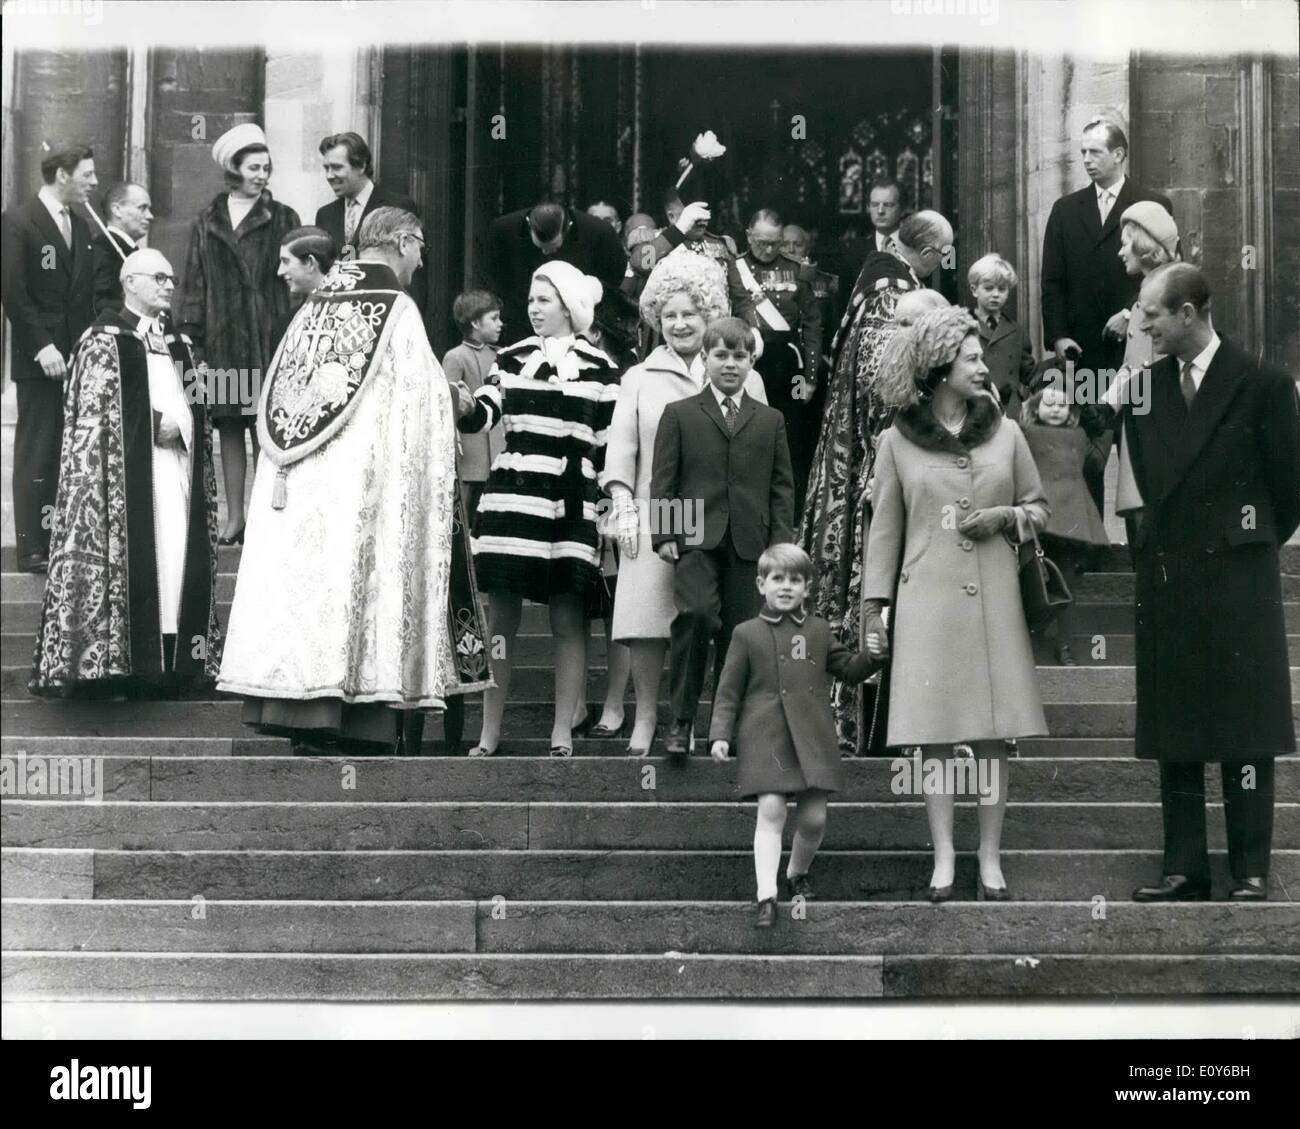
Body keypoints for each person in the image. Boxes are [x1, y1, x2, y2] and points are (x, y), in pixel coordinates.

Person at [218, 207, 490, 754]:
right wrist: (472, 403)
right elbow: (424, 404)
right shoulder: (396, 309)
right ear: (403, 242)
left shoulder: (315, 306)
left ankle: (298, 716)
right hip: (363, 492)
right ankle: (354, 722)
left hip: (309, 492)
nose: (422, 259)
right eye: (421, 247)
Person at [1117, 264, 1298, 903]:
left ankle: (1250, 868)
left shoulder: (1265, 384)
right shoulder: (1142, 391)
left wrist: (1242, 543)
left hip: (1239, 577)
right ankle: (1184, 867)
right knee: (1179, 725)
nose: (1142, 324)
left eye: (1153, 313)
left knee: (1246, 727)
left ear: (1189, 312)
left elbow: (1289, 490)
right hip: (1171, 575)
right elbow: (1150, 479)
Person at [862, 307, 1050, 901]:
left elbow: (1042, 508)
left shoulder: (1009, 433)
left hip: (994, 601)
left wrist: (1009, 518)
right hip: (928, 605)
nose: (982, 366)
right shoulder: (896, 440)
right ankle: (944, 857)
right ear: (940, 368)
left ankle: (989, 858)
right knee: (936, 737)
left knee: (995, 737)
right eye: (970, 358)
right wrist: (874, 606)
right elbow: (884, 531)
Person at [31, 249, 221, 697]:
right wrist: (155, 424)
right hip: (122, 481)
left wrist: (186, 422)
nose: (169, 285)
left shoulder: (180, 344)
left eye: (172, 278)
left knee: (175, 561)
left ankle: (176, 667)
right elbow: (93, 414)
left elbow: (203, 401)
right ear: (129, 282)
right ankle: (121, 669)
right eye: (159, 277)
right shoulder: (101, 340)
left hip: (173, 471)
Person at [800, 209, 953, 755]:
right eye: (943, 255)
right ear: (929, 253)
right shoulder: (894, 294)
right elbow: (883, 385)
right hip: (878, 462)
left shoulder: (876, 283)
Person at [603, 255, 768, 755]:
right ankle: (649, 717)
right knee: (651, 617)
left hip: (724, 514)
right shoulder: (640, 376)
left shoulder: (740, 371)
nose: (679, 324)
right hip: (662, 510)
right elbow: (623, 448)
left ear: (709, 314)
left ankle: (714, 722)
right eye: (669, 315)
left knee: (713, 619)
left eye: (690, 315)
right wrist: (622, 502)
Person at [456, 261, 621, 758]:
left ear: (570, 308)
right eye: (530, 299)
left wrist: (612, 512)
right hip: (512, 502)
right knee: (500, 621)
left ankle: (561, 732)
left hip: (572, 504)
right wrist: (464, 408)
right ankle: (489, 734)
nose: (532, 308)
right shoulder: (509, 358)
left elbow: (609, 447)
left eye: (543, 299)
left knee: (569, 622)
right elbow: (484, 412)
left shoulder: (602, 367)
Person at [710, 544, 883, 928]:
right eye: (777, 579)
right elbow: (728, 691)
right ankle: (766, 896)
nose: (786, 587)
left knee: (814, 819)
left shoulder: (819, 631)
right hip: (766, 736)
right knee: (771, 810)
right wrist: (720, 734)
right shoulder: (745, 634)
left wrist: (872, 656)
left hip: (813, 737)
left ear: (807, 587)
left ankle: (795, 873)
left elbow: (850, 670)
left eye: (795, 580)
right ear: (761, 584)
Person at [651, 316, 795, 759]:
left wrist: (780, 545)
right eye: (720, 355)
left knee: (740, 635)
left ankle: (729, 730)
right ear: (705, 359)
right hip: (694, 535)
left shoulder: (770, 420)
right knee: (694, 617)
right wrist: (665, 533)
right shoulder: (680, 414)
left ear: (751, 362)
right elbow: (665, 478)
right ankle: (680, 722)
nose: (730, 365)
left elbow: (781, 487)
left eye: (739, 356)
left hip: (751, 543)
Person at [177, 122, 300, 546]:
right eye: (253, 167)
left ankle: (269, 516)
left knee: (265, 431)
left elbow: (293, 281)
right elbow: (194, 282)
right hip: (223, 343)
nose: (262, 175)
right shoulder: (206, 220)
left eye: (266, 167)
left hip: (269, 341)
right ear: (234, 169)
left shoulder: (284, 217)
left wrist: (287, 329)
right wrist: (192, 336)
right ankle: (235, 517)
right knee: (228, 427)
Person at [1041, 116, 1171, 514]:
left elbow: (1163, 272)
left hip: (1140, 353)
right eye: (1082, 152)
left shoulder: (1152, 206)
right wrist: (1059, 336)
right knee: (1088, 454)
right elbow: (1052, 281)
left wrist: (1130, 315)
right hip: (1086, 354)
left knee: (1142, 448)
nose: (1087, 160)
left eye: (1095, 151)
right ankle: (1089, 548)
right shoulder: (1065, 210)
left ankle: (1141, 549)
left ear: (1119, 154)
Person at [0, 143, 98, 574]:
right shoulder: (18, 221)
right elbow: (14, 293)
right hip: (40, 358)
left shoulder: (81, 225)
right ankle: (31, 547)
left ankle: (60, 540)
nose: (94, 183)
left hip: (76, 357)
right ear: (62, 174)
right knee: (37, 447)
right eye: (88, 174)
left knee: (67, 450)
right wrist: (42, 346)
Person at [736, 208, 823, 511]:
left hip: (791, 366)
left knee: (793, 437)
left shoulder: (798, 270)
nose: (769, 250)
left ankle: (793, 510)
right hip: (750, 364)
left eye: (775, 243)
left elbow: (812, 324)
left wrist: (810, 377)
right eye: (762, 243)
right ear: (748, 236)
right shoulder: (735, 270)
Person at [1019, 385, 1111, 665]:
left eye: (1063, 404)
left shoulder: (1080, 435)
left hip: (1071, 517)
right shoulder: (1024, 435)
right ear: (1034, 409)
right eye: (1049, 404)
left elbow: (1095, 464)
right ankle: (1030, 641)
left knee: (1066, 585)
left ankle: (1065, 645)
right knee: (1031, 579)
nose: (1057, 408)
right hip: (1039, 517)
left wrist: (1099, 426)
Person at [1109, 200, 1180, 550]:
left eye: (1126, 243)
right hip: (1140, 420)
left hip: (1162, 425)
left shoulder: (1174, 291)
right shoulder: (1145, 296)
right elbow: (1131, 367)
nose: (1121, 252)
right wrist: (1106, 406)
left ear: (1145, 245)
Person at [314, 131, 426, 323]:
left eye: (337, 167)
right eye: (326, 168)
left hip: (383, 317)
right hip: (339, 322)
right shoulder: (325, 214)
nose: (329, 176)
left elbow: (414, 274)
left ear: (362, 165)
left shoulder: (397, 206)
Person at [484, 201, 627, 346]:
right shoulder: (503, 230)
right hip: (521, 321)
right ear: (529, 226)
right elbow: (495, 278)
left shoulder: (600, 233)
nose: (546, 252)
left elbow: (613, 279)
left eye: (554, 247)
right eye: (541, 247)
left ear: (568, 228)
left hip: (580, 325)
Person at [441, 289, 505, 520]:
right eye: (494, 318)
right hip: (470, 458)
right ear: (476, 323)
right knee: (467, 519)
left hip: (497, 454)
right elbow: (448, 407)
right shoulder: (456, 357)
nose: (500, 324)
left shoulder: (501, 357)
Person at [966, 253, 1036, 418]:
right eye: (989, 288)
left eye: (1002, 289)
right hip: (973, 406)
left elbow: (1029, 374)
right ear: (975, 290)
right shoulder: (963, 326)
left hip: (1009, 410)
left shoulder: (1017, 331)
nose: (996, 294)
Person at [92, 182, 152, 313]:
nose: (150, 216)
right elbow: (99, 304)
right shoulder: (103, 249)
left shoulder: (132, 251)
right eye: (142, 208)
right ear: (117, 210)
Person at [273, 226, 337, 336]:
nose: (280, 271)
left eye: (286, 262)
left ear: (310, 263)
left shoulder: (346, 313)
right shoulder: (284, 325)